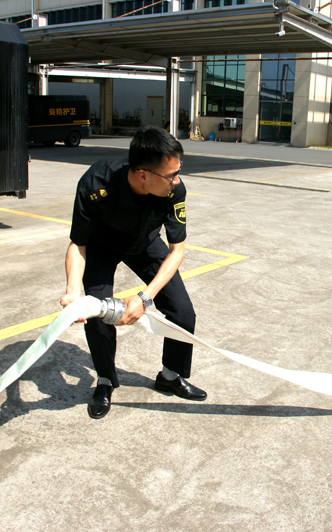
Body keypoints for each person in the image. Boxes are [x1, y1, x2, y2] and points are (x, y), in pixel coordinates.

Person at [59, 126, 206, 419]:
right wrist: (73, 292)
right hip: (101, 247)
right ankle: (104, 379)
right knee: (98, 315)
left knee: (183, 312)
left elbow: (177, 251)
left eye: (178, 172)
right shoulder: (96, 183)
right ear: (143, 175)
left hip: (144, 243)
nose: (176, 180)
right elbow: (79, 244)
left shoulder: (174, 190)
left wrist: (145, 298)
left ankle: (170, 375)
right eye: (170, 175)